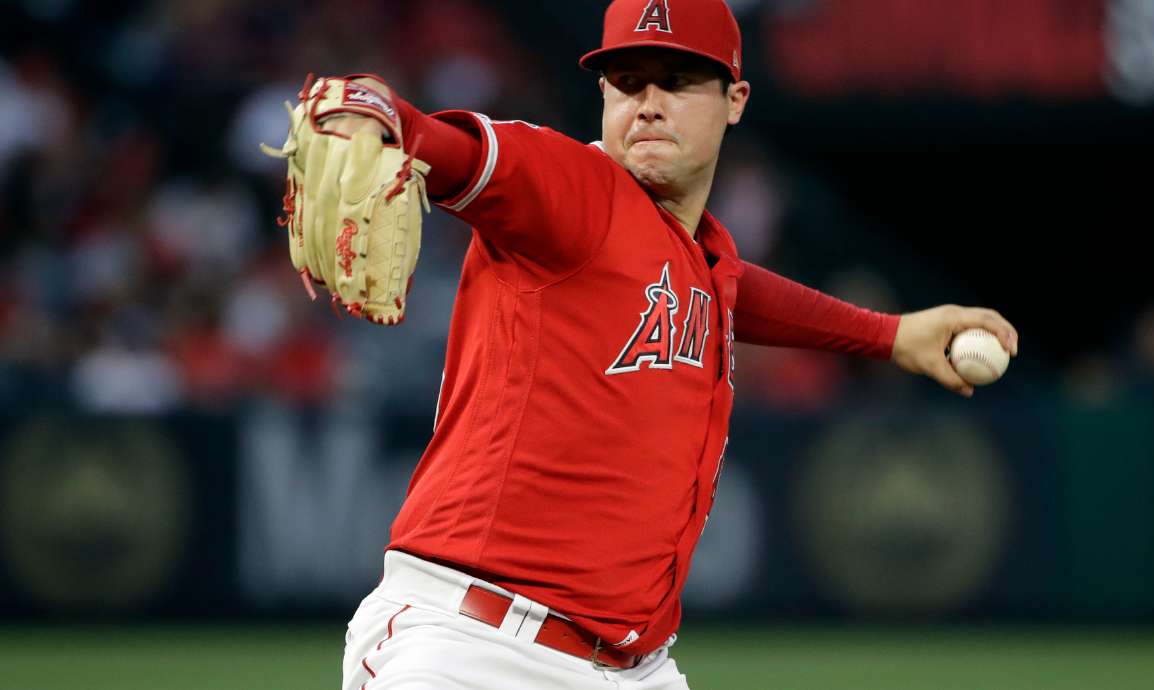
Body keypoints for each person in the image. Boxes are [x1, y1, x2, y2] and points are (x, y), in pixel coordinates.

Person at [323, 1, 1018, 688]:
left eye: (677, 81)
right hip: (472, 649)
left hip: (635, 668)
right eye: (628, 83)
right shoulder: (573, 192)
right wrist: (383, 118)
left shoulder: (698, 254)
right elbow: (466, 154)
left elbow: (739, 292)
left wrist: (890, 334)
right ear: (602, 96)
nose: (648, 104)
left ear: (735, 99)